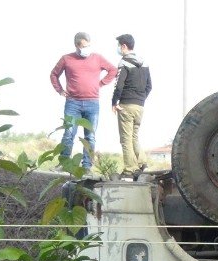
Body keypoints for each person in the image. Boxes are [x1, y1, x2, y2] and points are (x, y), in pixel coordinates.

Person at [50, 32, 117, 171]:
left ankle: (86, 166)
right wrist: (60, 90)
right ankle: (64, 164)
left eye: (89, 45)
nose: (87, 48)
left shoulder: (97, 58)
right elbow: (54, 74)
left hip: (92, 103)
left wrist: (102, 83)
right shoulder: (66, 59)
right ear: (76, 45)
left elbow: (113, 70)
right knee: (68, 134)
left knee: (90, 137)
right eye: (84, 46)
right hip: (72, 103)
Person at [111, 33, 152, 179]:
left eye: (118, 46)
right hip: (140, 106)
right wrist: (140, 99)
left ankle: (129, 169)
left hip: (126, 105)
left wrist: (114, 102)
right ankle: (142, 163)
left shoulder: (124, 63)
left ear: (123, 46)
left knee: (125, 138)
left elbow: (119, 86)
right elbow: (149, 86)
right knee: (134, 136)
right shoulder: (144, 63)